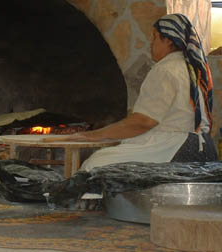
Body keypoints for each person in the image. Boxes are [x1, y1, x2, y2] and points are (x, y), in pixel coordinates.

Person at [44, 13, 217, 170]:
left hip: (176, 148)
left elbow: (143, 122)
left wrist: (91, 136)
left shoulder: (166, 70)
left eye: (155, 38)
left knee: (95, 165)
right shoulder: (192, 70)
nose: (151, 44)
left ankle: (93, 204)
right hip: (203, 148)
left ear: (169, 41)